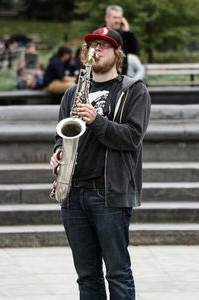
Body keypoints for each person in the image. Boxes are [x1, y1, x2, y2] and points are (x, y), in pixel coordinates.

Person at [50, 27, 151, 300]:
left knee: (117, 273)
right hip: (73, 194)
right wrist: (59, 153)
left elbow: (132, 137)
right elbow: (61, 136)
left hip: (108, 193)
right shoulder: (72, 94)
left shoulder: (134, 91)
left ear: (118, 53)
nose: (97, 48)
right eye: (93, 44)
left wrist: (97, 120)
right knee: (86, 276)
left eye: (105, 45)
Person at [97, 5, 140, 75]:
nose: (117, 21)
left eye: (119, 18)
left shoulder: (124, 35)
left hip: (121, 76)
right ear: (106, 18)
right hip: (102, 75)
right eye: (114, 17)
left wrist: (128, 32)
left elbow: (135, 50)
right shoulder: (98, 33)